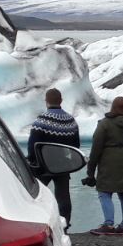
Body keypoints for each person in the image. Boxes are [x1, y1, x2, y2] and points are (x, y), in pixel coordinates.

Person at [83, 97, 123, 235]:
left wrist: (90, 171)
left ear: (113, 107)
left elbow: (96, 149)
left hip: (108, 164)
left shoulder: (104, 125)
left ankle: (109, 224)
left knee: (104, 193)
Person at [26, 88, 80, 229]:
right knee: (63, 196)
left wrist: (32, 160)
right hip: (63, 165)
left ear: (46, 101)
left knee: (36, 195)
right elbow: (76, 146)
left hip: (42, 164)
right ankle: (64, 225)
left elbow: (33, 144)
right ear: (61, 100)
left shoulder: (42, 121)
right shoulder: (70, 121)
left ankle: (37, 224)